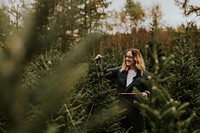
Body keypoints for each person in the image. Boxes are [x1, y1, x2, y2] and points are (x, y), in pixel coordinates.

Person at [95, 48, 150, 133]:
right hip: (121, 109)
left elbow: (148, 90)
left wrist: (146, 93)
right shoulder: (120, 70)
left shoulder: (143, 74)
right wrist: (99, 62)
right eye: (126, 56)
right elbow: (104, 73)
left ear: (136, 58)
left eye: (130, 57)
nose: (127, 59)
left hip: (136, 110)